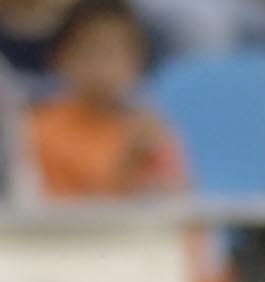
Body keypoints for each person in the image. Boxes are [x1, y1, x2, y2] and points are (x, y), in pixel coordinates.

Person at [25, 0, 184, 197]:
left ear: (139, 59)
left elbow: (180, 205)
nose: (104, 68)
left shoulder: (148, 127)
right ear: (60, 57)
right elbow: (62, 216)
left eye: (116, 53)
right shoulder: (41, 131)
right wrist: (128, 162)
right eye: (91, 52)